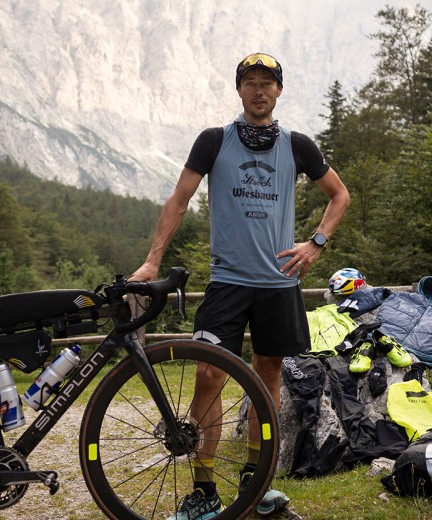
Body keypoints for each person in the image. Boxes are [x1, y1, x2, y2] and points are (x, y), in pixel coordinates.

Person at [130, 52, 349, 519]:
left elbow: (340, 194)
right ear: (239, 89)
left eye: (267, 83)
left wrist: (315, 244)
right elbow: (179, 198)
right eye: (250, 82)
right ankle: (205, 491)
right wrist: (153, 262)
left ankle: (256, 485)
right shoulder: (214, 142)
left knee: (266, 378)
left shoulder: (297, 145)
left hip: (278, 283)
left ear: (279, 91)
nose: (258, 90)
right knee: (209, 376)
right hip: (227, 282)